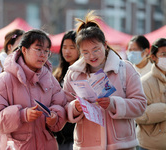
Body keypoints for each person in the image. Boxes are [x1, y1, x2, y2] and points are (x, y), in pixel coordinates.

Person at [63, 11, 147, 150]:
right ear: (80, 52)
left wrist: (114, 104)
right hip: (86, 145)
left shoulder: (124, 69)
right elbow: (63, 106)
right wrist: (75, 108)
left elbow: (141, 105)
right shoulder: (74, 73)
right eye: (85, 52)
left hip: (121, 145)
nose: (92, 56)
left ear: (105, 45)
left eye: (96, 49)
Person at [0, 29, 67, 150]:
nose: (43, 54)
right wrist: (22, 115)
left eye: (46, 51)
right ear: (24, 49)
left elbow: (61, 105)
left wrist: (54, 117)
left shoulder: (50, 79)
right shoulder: (5, 79)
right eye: (38, 49)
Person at [135, 38, 166, 150]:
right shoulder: (144, 82)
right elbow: (138, 114)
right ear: (153, 57)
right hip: (148, 146)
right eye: (163, 54)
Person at [53, 30, 79, 150]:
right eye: (64, 47)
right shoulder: (57, 73)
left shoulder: (82, 74)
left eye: (72, 47)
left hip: (76, 132)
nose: (67, 51)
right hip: (59, 131)